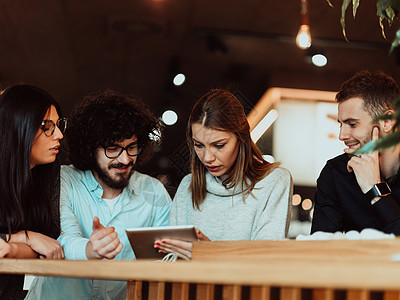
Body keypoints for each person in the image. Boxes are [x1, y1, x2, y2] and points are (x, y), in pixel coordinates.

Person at [26, 90, 171, 299]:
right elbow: (61, 238)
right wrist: (91, 249)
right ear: (91, 148)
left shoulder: (153, 191)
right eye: (113, 148)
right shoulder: (62, 179)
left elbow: (166, 260)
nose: (124, 159)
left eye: (132, 148)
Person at [155, 88, 292, 260]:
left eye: (219, 145)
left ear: (241, 138)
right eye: (199, 145)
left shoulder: (274, 181)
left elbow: (266, 259)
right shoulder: (188, 185)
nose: (207, 158)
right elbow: (169, 258)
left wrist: (211, 254)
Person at [311, 70, 400, 235]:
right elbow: (320, 247)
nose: (341, 136)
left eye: (352, 124)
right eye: (341, 124)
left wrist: (375, 189)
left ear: (387, 122)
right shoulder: (335, 173)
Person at [0, 84, 65, 299]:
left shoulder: (43, 180)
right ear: (18, 126)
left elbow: (43, 250)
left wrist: (15, 244)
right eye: (47, 126)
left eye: (58, 124)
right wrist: (24, 238)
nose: (59, 134)